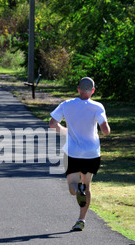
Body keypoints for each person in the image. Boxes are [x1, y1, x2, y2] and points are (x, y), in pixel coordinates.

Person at [49, 77, 111, 231]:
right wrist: (106, 128)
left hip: (73, 152)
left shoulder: (67, 105)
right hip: (92, 153)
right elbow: (104, 128)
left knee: (72, 187)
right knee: (87, 185)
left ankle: (78, 190)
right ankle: (81, 219)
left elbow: (52, 123)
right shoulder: (97, 106)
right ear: (93, 91)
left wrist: (64, 130)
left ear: (78, 89)